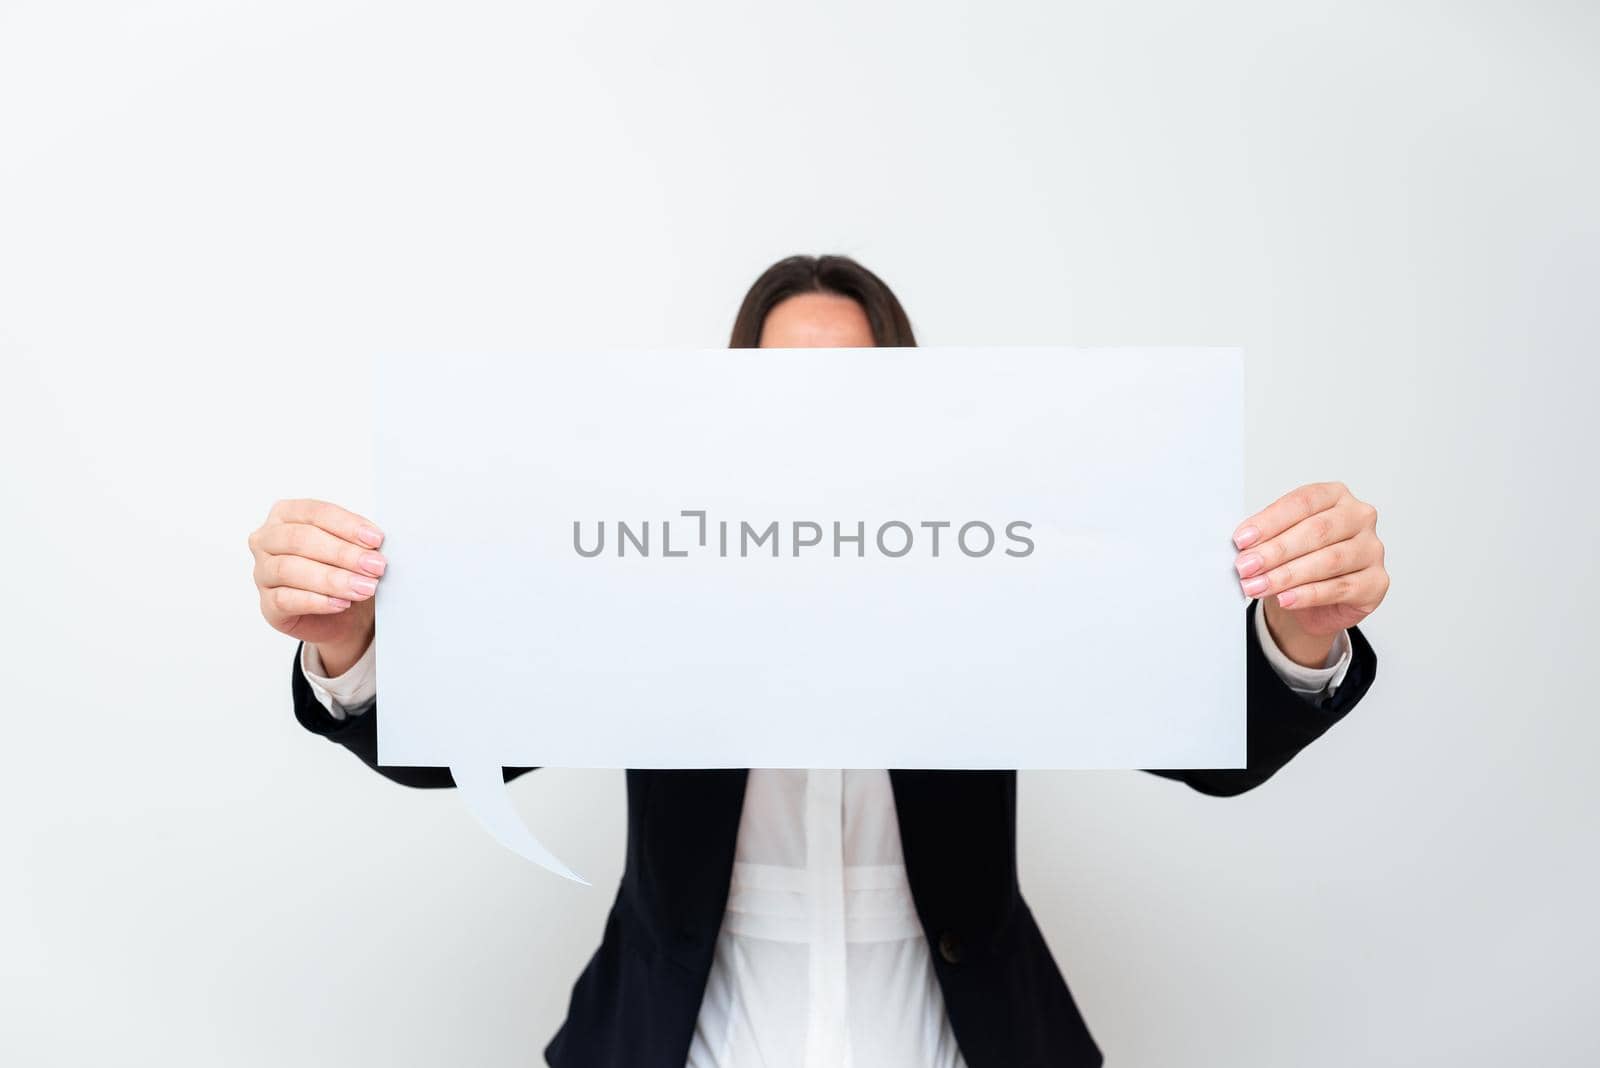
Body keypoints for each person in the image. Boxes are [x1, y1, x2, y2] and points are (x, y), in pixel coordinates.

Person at [249, 254, 1386, 1068]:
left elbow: (1206, 744)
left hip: (953, 1033)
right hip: (684, 1032)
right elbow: (456, 744)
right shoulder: (646, 575)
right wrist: (351, 647)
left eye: (857, 387)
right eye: (781, 388)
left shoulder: (999, 569)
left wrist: (1301, 630)